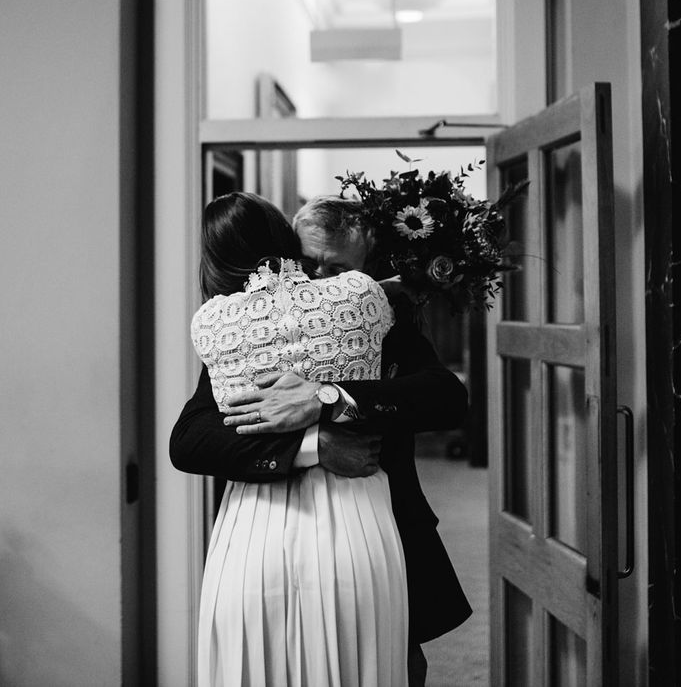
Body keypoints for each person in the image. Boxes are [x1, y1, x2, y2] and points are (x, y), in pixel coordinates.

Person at [171, 195, 472, 687]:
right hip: (269, 532)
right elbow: (190, 440)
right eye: (308, 263)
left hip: (385, 524)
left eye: (336, 268)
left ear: (364, 271)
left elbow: (447, 399)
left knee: (393, 667)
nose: (317, 279)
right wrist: (312, 446)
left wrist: (330, 397)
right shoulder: (245, 330)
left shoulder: (376, 318)